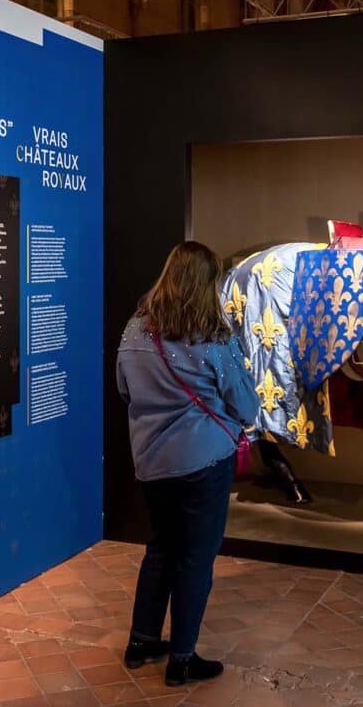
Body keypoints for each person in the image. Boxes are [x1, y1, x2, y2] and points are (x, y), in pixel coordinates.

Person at [116, 241, 259, 687]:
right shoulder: (217, 338)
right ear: (207, 284)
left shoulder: (135, 330)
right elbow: (246, 406)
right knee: (195, 558)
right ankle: (182, 658)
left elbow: (125, 390)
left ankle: (141, 641)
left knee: (160, 547)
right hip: (203, 463)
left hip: (151, 463)